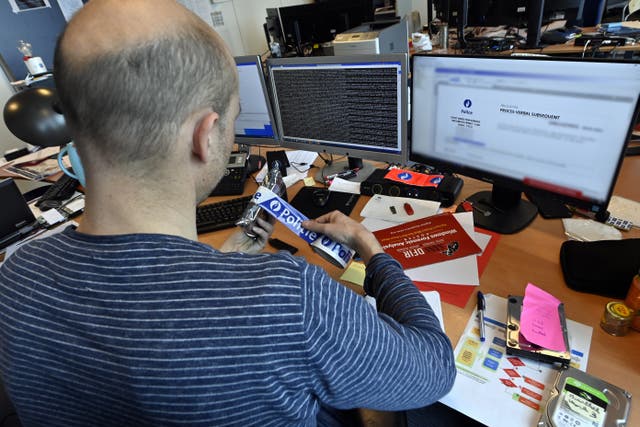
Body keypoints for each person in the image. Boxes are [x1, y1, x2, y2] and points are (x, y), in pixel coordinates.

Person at [0, 0, 456, 426]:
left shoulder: (16, 276)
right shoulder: (287, 301)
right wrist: (374, 253)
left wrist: (230, 265)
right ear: (205, 134)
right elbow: (434, 370)